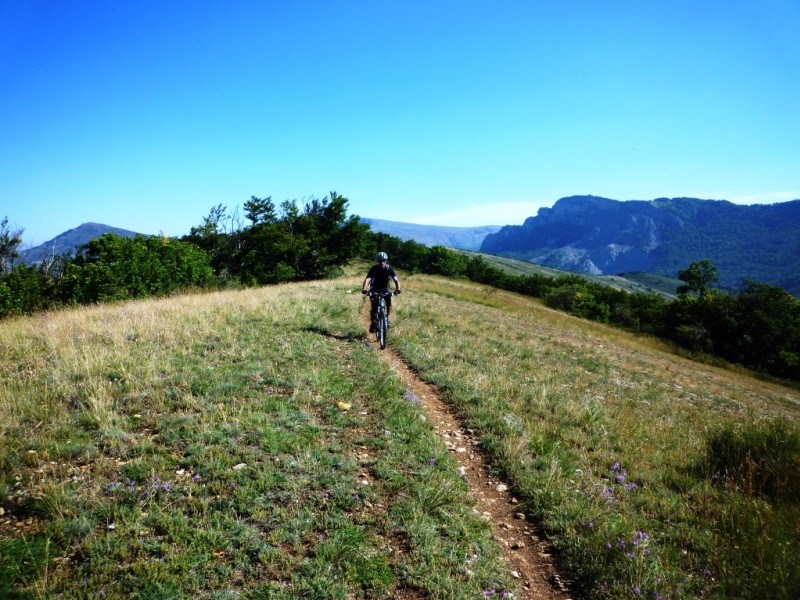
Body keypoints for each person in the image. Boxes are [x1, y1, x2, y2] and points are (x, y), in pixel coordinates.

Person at [362, 252, 401, 332]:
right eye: (380, 261)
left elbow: (396, 280)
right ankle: (373, 323)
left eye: (383, 260)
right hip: (374, 288)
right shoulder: (374, 268)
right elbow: (368, 279)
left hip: (385, 288)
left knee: (388, 303)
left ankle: (387, 318)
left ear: (386, 260)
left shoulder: (389, 268)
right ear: (378, 261)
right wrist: (364, 289)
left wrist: (398, 289)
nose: (382, 262)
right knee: (374, 308)